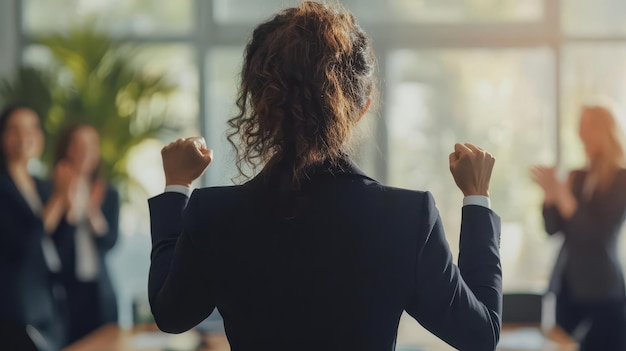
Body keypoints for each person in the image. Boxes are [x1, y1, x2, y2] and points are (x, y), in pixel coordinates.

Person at [148, 2, 502, 350]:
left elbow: (171, 315)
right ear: (361, 107)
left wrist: (176, 187)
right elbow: (480, 335)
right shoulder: (407, 217)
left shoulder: (212, 213)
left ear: (260, 103)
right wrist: (476, 197)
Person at [531, 105, 626, 351]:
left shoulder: (621, 179)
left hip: (603, 291)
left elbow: (599, 234)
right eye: (580, 126)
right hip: (569, 290)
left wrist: (564, 197)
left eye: (588, 126)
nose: (582, 133)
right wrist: (550, 196)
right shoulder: (577, 177)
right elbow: (552, 229)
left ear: (606, 130)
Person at [0, 104, 72, 351]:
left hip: (49, 301)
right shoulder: (3, 187)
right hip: (16, 308)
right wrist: (58, 201)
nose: (24, 137)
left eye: (31, 128)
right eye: (14, 130)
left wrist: (68, 206)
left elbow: (58, 244)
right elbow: (23, 244)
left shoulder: (43, 186)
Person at [52, 124, 119, 343]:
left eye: (91, 144)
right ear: (66, 149)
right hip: (65, 292)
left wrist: (92, 212)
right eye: (78, 144)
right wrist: (69, 208)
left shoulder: (107, 192)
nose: (84, 150)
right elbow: (52, 246)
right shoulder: (51, 188)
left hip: (100, 290)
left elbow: (110, 243)